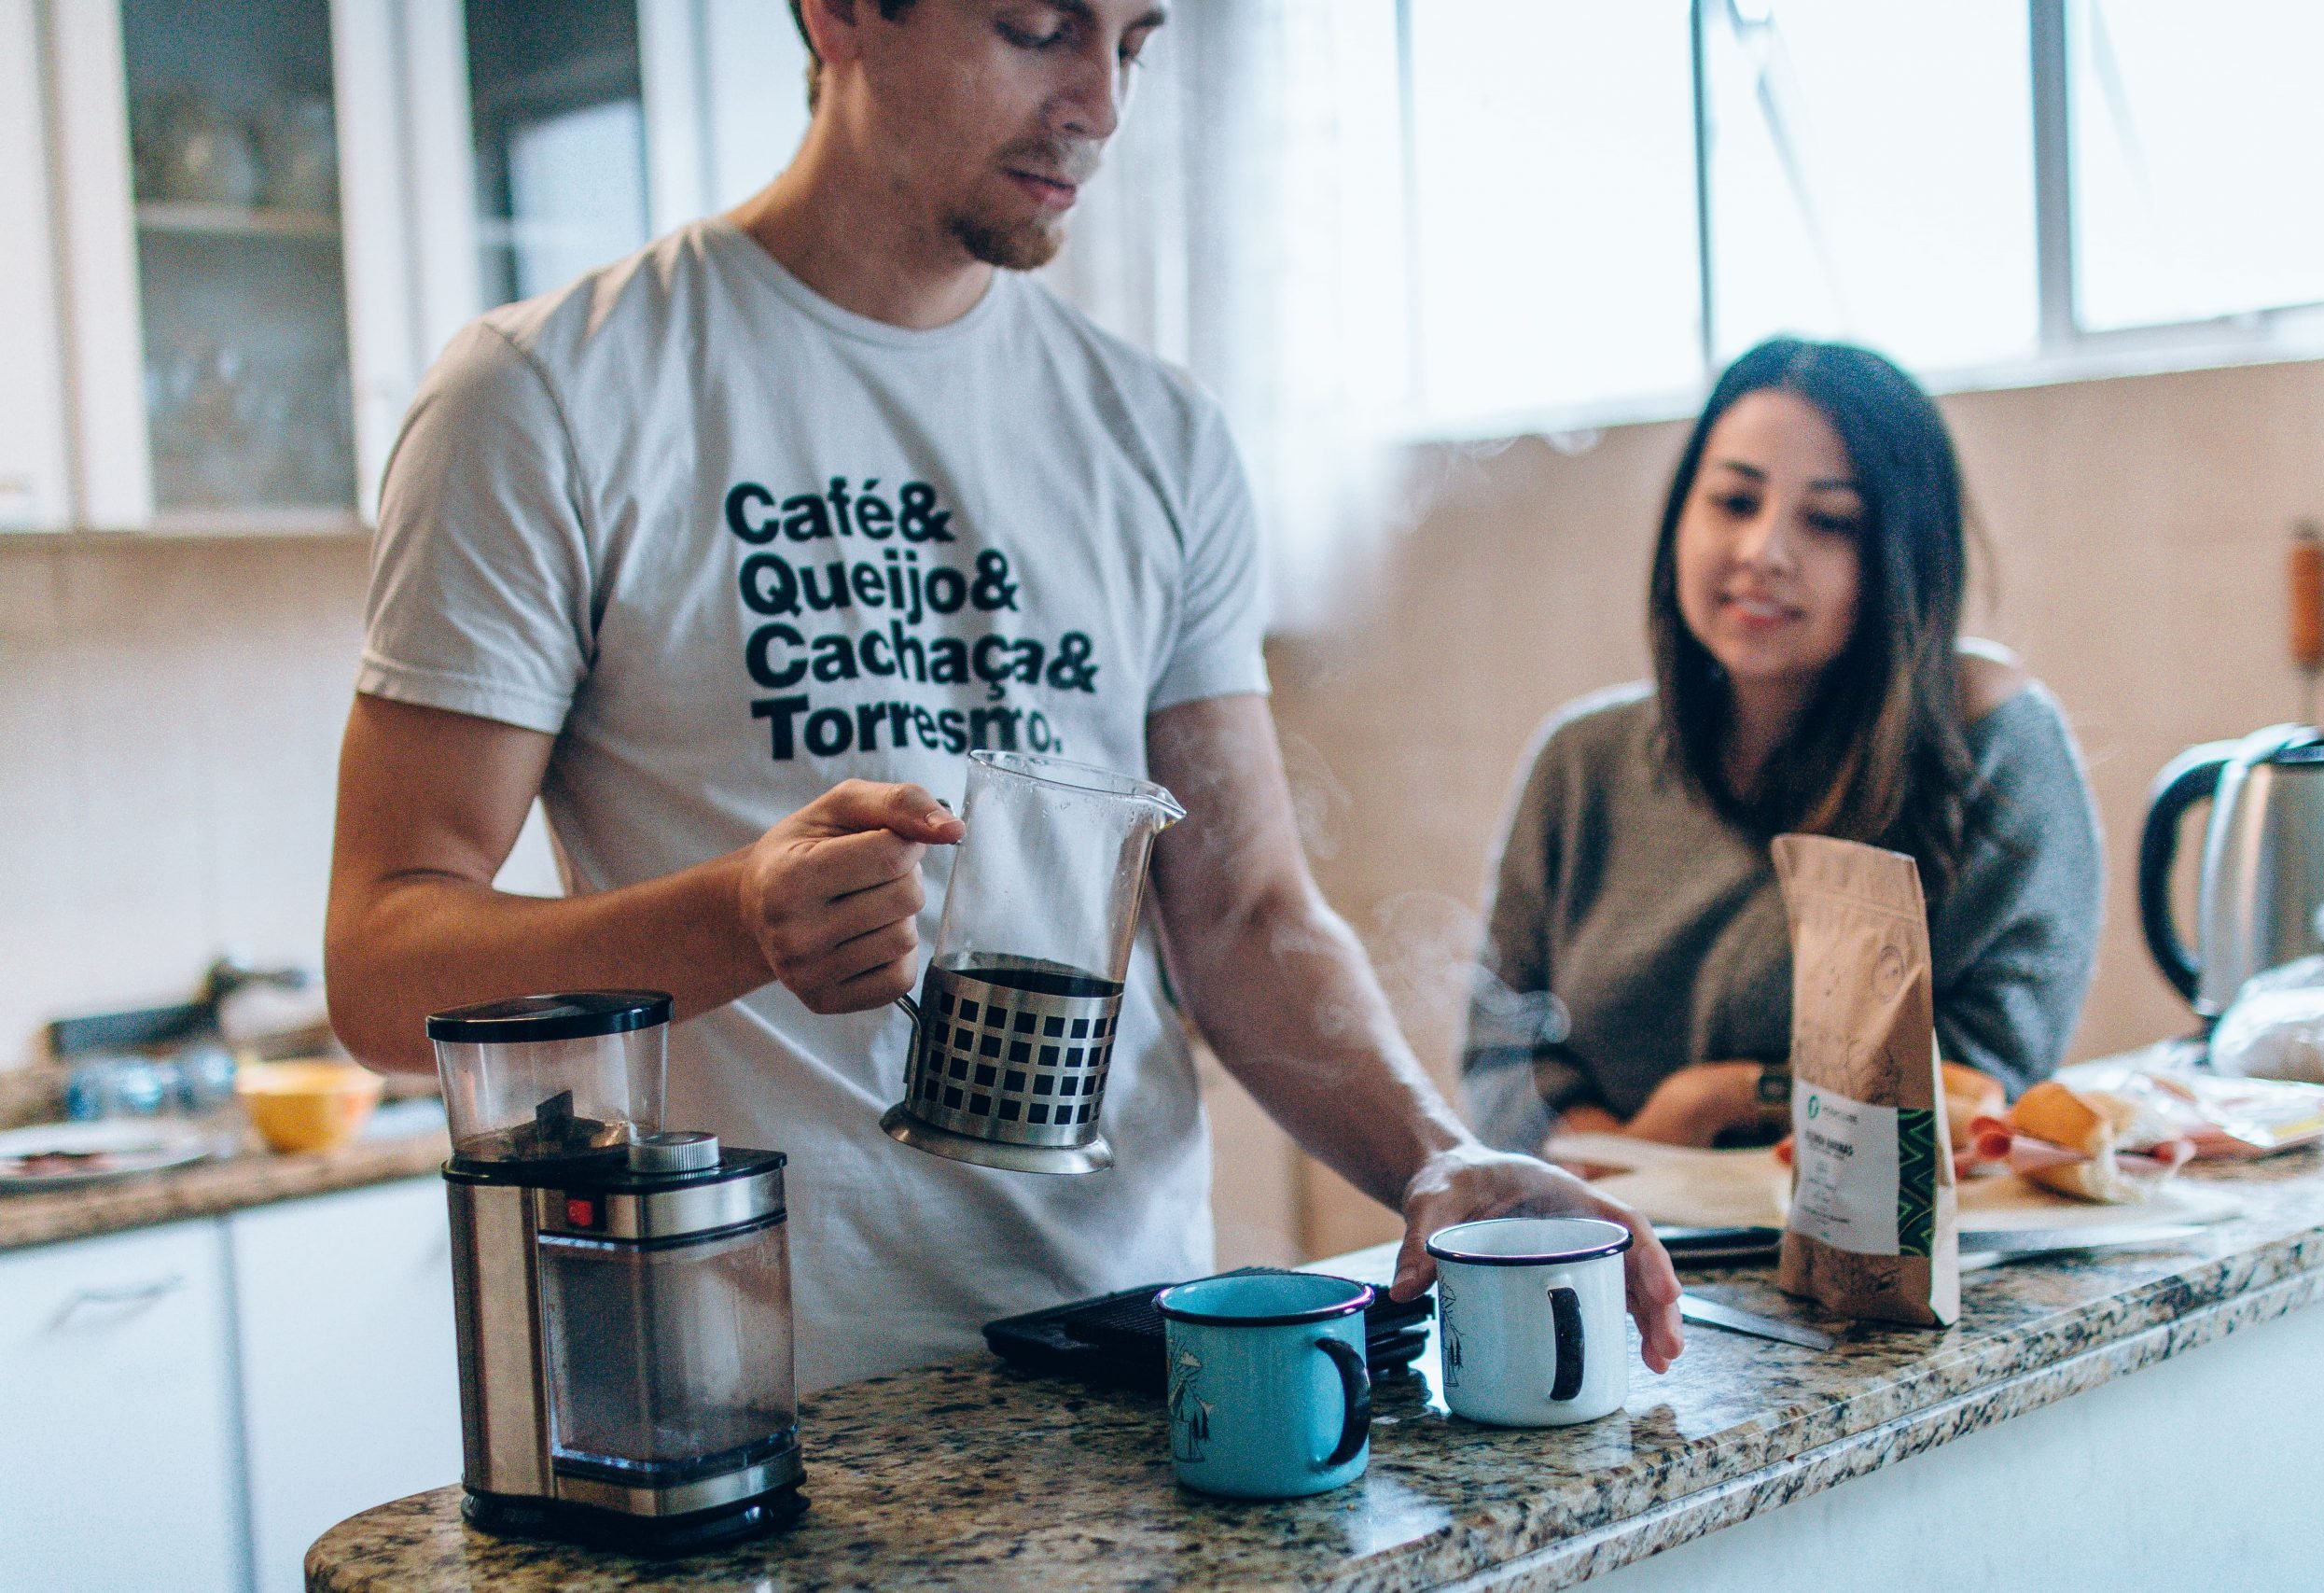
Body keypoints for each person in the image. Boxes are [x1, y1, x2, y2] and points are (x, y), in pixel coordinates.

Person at [324, 0, 1681, 1386]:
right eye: (1037, 28)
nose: (1098, 101)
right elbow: (381, 962)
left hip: (1137, 1359)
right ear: (838, 14)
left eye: (1135, 45)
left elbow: (1245, 912)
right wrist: (732, 916)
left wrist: (1439, 1156)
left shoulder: (1155, 433)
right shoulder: (550, 392)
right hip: (745, 1398)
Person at [1462, 338, 2102, 1155]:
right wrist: (1628, 1167)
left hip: (1869, 1270)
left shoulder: (1990, 748)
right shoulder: (1581, 761)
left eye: (1830, 521)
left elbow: (1981, 1085)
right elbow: (1499, 1055)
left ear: (1904, 560)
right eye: (1734, 502)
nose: (1764, 552)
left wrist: (1722, 1099)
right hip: (1595, 1247)